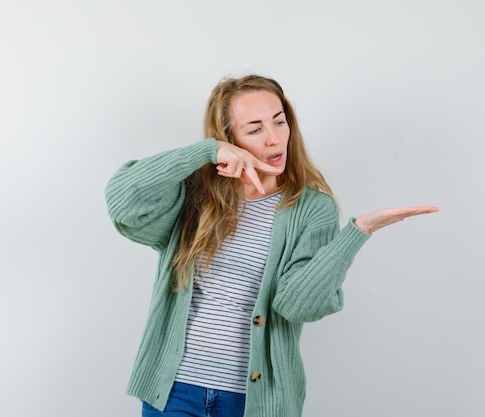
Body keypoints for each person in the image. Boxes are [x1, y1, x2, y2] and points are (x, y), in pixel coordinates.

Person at [104, 74, 438, 417]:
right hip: (174, 393)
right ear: (229, 139)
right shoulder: (194, 196)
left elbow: (296, 305)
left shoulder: (311, 209)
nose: (274, 138)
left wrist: (357, 233)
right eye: (255, 129)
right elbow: (124, 201)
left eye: (279, 122)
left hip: (253, 402)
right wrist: (206, 152)